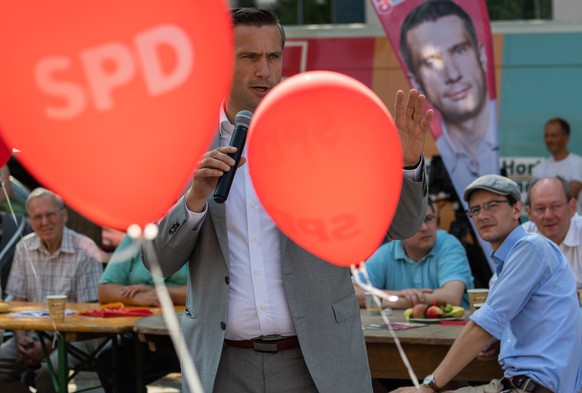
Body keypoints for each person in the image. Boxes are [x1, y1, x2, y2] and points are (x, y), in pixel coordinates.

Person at [144, 7, 433, 393]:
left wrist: (408, 162)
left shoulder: (324, 136)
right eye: (249, 57)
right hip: (221, 364)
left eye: (273, 57)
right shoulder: (183, 144)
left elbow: (400, 225)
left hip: (318, 363)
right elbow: (157, 261)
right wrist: (195, 198)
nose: (264, 70)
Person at [392, 174, 582, 393]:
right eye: (475, 210)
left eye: (492, 205)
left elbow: (484, 324)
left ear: (516, 209)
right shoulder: (514, 254)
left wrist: (428, 387)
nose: (482, 215)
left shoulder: (531, 248)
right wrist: (501, 338)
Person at [0, 187, 103, 393]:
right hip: (33, 334)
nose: (44, 222)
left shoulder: (84, 248)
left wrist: (48, 345)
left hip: (79, 336)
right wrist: (21, 340)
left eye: (50, 215)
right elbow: (17, 301)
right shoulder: (24, 248)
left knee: (49, 372)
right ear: (30, 221)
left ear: (64, 216)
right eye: (37, 217)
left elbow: (88, 314)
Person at [399, 0, 499, 196]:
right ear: (416, 82)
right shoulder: (422, 157)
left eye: (460, 50)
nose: (453, 74)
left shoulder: (502, 135)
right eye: (431, 63)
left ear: (482, 56)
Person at [95, 235, 188, 393]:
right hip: (141, 333)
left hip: (188, 333)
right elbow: (105, 290)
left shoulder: (195, 231)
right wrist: (138, 298)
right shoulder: (135, 237)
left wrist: (162, 293)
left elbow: (211, 291)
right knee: (110, 362)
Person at [354, 199, 474, 310]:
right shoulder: (386, 252)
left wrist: (393, 301)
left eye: (429, 219)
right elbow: (350, 293)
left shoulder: (449, 245)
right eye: (415, 223)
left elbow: (451, 297)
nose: (424, 227)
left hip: (452, 331)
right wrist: (397, 295)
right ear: (398, 229)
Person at [522, 176, 582, 287]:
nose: (548, 216)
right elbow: (498, 287)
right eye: (540, 208)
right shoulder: (522, 237)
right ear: (529, 213)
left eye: (556, 206)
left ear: (572, 207)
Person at [531, 117, 582, 214]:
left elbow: (570, 195)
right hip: (545, 224)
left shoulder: (579, 164)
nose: (549, 140)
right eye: (546, 136)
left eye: (554, 136)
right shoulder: (540, 168)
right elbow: (533, 199)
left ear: (566, 137)